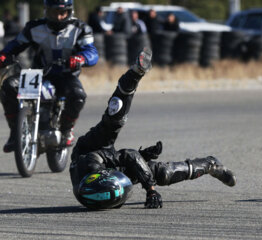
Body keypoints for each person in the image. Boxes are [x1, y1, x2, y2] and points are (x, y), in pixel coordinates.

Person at [69, 48, 236, 210]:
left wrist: (150, 189)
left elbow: (128, 155)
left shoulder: (90, 162)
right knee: (163, 173)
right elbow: (127, 164)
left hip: (92, 148)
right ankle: (211, 164)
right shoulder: (89, 196)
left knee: (114, 119)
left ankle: (135, 73)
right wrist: (143, 160)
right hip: (108, 166)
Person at [0, 0, 98, 153]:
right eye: (54, 13)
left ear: (69, 12)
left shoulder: (81, 29)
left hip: (67, 75)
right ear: (47, 12)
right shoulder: (33, 27)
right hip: (38, 74)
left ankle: (66, 130)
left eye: (62, 13)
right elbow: (16, 44)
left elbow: (91, 52)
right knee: (8, 86)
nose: (58, 17)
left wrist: (81, 59)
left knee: (78, 95)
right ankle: (15, 132)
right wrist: (4, 55)